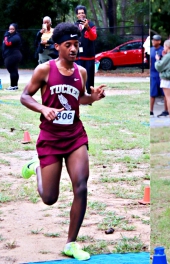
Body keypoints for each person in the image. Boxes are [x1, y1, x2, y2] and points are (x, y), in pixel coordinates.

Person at [20, 22, 106, 261]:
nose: (73, 49)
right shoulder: (44, 70)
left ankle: (71, 243)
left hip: (75, 135)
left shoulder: (81, 72)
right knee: (50, 198)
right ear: (56, 46)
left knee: (81, 185)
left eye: (76, 44)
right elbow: (25, 96)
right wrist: (42, 107)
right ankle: (37, 167)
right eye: (68, 45)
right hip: (50, 137)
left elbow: (80, 99)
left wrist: (94, 98)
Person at [75, 5, 97, 94]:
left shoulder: (91, 25)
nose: (81, 15)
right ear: (77, 15)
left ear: (85, 14)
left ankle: (89, 97)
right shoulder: (74, 26)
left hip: (89, 56)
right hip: (77, 57)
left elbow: (93, 37)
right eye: (79, 13)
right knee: (77, 77)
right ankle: (79, 96)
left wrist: (87, 27)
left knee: (89, 77)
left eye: (83, 13)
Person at [155, 39, 170, 123]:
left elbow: (159, 66)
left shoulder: (168, 56)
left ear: (167, 46)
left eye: (164, 46)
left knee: (168, 98)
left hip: (166, 79)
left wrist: (158, 60)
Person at [2, 23, 22, 91]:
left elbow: (7, 43)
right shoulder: (11, 36)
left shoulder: (16, 37)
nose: (10, 30)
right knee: (14, 70)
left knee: (12, 71)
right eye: (10, 29)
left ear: (15, 29)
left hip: (13, 55)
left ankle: (13, 86)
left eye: (12, 29)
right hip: (11, 55)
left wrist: (6, 34)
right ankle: (14, 86)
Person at [149, 34, 166, 117]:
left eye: (155, 40)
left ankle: (166, 110)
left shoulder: (163, 50)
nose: (153, 41)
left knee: (165, 93)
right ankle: (151, 111)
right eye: (152, 40)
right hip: (153, 74)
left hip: (161, 74)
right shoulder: (151, 50)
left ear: (159, 41)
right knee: (152, 93)